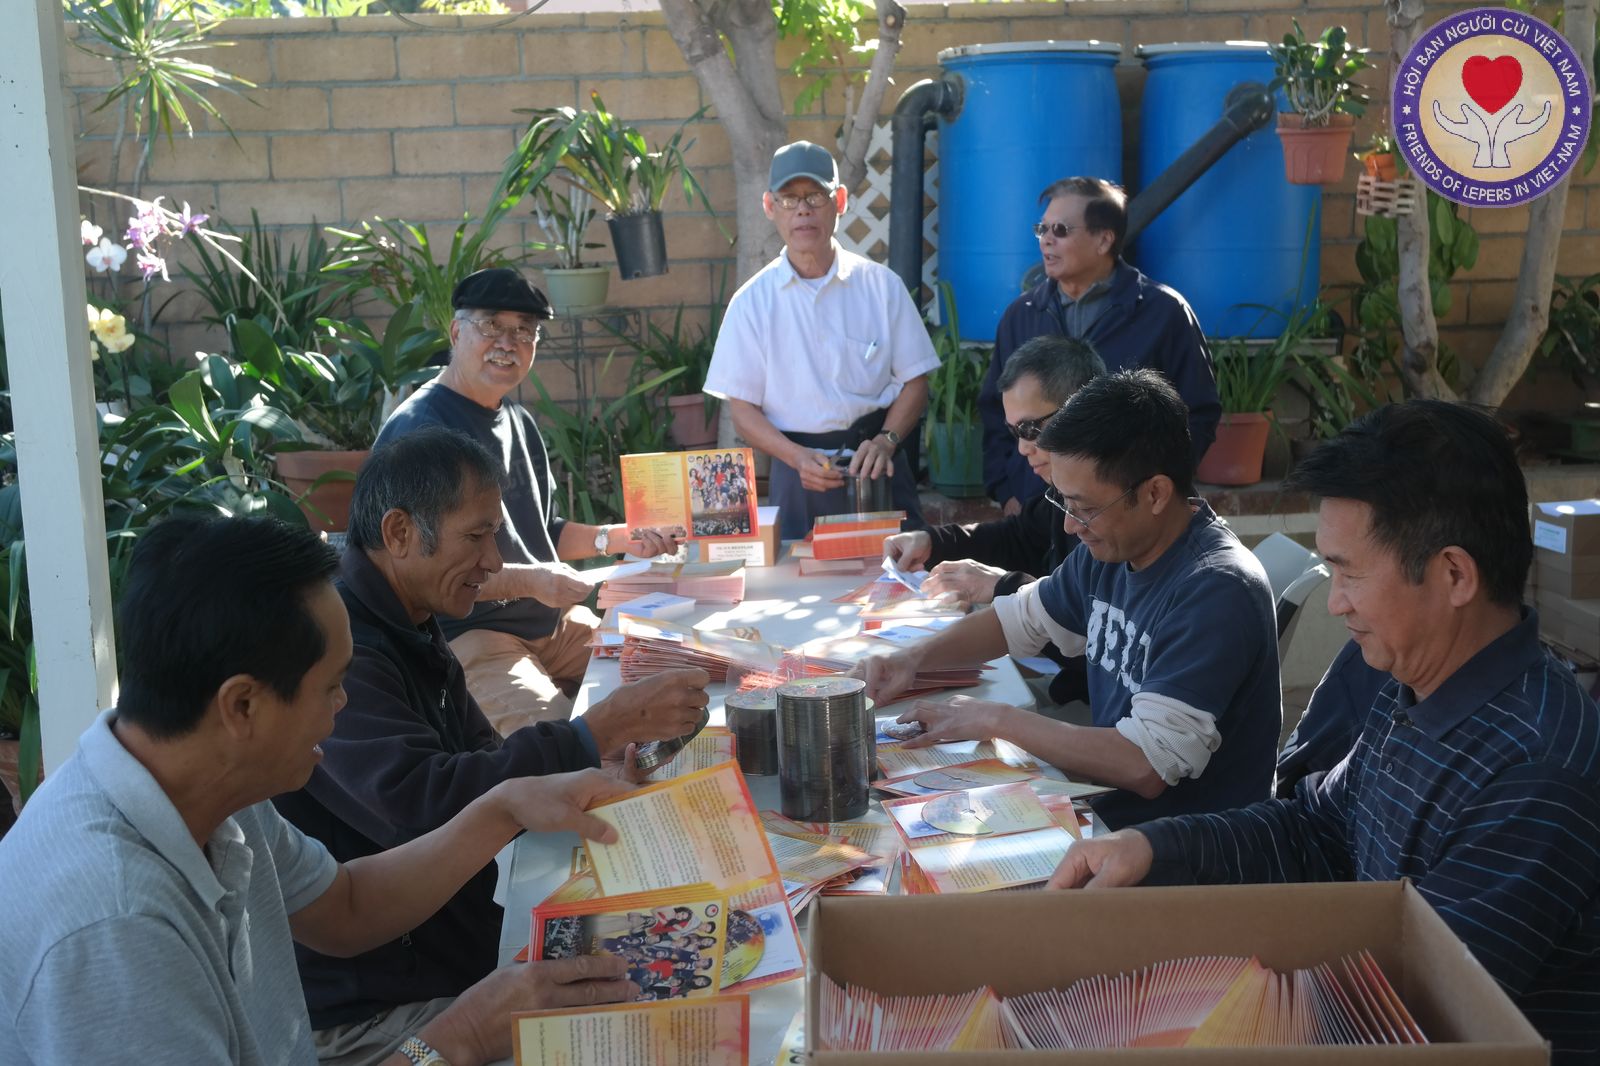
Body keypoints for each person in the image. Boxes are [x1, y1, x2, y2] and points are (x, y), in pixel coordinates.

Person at [1049, 400, 1600, 1063]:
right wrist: (1151, 848)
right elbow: (1317, 831)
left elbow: (1417, 1007)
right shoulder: (1412, 683)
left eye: (1349, 572)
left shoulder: (1536, 772)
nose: (1335, 602)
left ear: (1454, 574)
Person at [0, 515, 641, 1066]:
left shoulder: (204, 783)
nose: (343, 706)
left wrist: (502, 807)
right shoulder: (115, 928)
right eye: (332, 687)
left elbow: (347, 907)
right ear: (242, 706)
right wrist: (461, 1036)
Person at [274, 427, 710, 1062]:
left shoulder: (410, 618)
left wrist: (588, 758)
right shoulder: (346, 651)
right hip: (381, 1005)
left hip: (447, 953)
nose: (495, 562)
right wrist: (593, 732)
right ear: (399, 532)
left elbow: (479, 761)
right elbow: (424, 807)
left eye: (495, 536)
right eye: (476, 536)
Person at [860, 369, 1278, 831]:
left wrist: (997, 719)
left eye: (1084, 508)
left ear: (1156, 493)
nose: (1069, 526)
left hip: (1178, 846)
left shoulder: (1215, 589)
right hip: (1108, 813)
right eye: (1063, 503)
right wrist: (911, 660)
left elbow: (1146, 765)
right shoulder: (1113, 549)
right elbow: (1016, 620)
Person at [376, 266, 680, 733]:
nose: (508, 342)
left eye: (524, 331)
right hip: (471, 636)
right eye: (492, 325)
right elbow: (420, 571)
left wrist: (619, 538)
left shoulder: (518, 419)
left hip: (554, 626)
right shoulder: (420, 431)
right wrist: (531, 581)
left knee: (677, 681)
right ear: (456, 332)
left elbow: (544, 530)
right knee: (565, 750)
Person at [703, 140, 941, 539]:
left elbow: (916, 381)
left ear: (840, 201)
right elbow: (742, 409)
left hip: (877, 465)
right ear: (769, 206)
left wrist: (886, 441)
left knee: (897, 572)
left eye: (815, 196)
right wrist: (796, 457)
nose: (803, 210)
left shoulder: (881, 287)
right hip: (798, 473)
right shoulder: (751, 303)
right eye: (789, 199)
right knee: (796, 572)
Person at [881, 334, 1104, 705]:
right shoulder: (1059, 497)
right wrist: (934, 542)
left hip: (1097, 708)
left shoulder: (1115, 510)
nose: (1022, 448)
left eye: (1031, 430)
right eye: (1014, 432)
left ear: (1082, 411)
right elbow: (1015, 537)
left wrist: (1000, 585)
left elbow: (1086, 628)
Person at [978, 177, 1220, 516]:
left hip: (1129, 513)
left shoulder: (1164, 312)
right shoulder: (1022, 315)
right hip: (1036, 511)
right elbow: (994, 413)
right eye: (1042, 229)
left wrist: (1148, 490)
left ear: (1104, 239)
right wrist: (1007, 493)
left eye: (1060, 230)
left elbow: (1197, 414)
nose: (1046, 239)